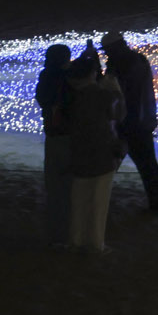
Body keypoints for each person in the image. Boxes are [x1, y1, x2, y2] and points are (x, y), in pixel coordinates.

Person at [64, 43, 125, 254]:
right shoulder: (102, 95)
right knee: (99, 201)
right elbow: (119, 113)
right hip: (102, 154)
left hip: (78, 152)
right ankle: (96, 243)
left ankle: (76, 239)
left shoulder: (71, 98)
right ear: (91, 75)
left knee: (79, 199)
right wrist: (113, 87)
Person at [102, 30, 158, 215]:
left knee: (108, 165)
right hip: (142, 121)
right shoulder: (138, 59)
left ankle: (99, 203)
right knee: (148, 166)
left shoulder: (119, 64)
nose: (105, 54)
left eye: (107, 50)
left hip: (128, 122)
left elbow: (113, 91)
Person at [35, 43, 74, 246]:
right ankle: (65, 232)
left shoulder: (46, 75)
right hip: (67, 135)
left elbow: (41, 99)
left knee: (54, 184)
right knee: (67, 185)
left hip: (53, 133)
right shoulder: (68, 78)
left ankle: (55, 231)